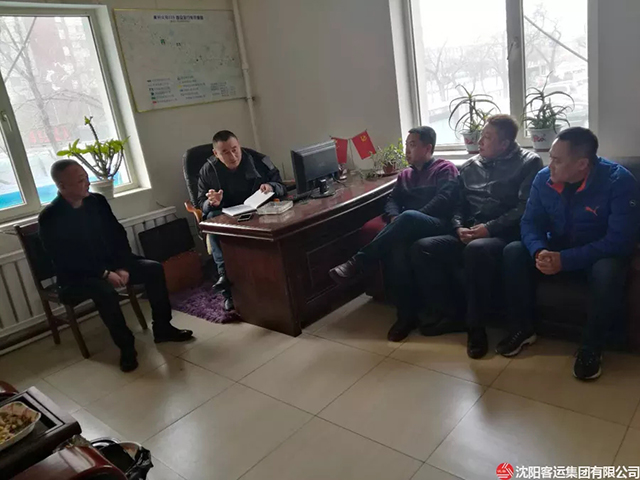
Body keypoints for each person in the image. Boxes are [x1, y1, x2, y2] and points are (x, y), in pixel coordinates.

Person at [497, 127, 639, 380]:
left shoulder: (620, 182)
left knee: (608, 269)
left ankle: (591, 347)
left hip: (596, 254)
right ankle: (522, 329)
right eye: (551, 157)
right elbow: (530, 223)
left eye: (557, 160)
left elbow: (620, 241)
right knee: (514, 251)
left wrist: (566, 260)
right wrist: (539, 250)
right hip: (557, 247)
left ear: (582, 164)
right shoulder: (543, 179)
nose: (549, 165)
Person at [39, 160, 193, 373]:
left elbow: (117, 235)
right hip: (78, 275)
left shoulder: (97, 201)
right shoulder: (50, 217)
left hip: (112, 264)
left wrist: (122, 267)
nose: (87, 183)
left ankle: (163, 328)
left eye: (86, 177)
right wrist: (104, 273)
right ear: (62, 186)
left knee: (153, 268)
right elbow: (65, 258)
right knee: (104, 291)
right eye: (81, 180)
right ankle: (126, 347)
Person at [411, 115, 543, 359]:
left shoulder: (529, 162)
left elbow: (524, 207)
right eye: (481, 135)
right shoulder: (470, 165)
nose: (480, 141)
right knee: (423, 248)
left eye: (487, 137)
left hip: (503, 235)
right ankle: (451, 315)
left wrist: (489, 228)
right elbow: (458, 205)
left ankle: (476, 328)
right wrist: (458, 227)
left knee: (476, 249)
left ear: (504, 144)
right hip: (470, 232)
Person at [329, 126, 460, 341]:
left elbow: (444, 201)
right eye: (406, 145)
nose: (407, 150)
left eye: (412, 145)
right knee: (397, 249)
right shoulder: (406, 175)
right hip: (408, 225)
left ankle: (358, 262)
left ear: (428, 148)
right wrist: (393, 218)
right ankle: (406, 316)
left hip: (438, 224)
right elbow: (392, 200)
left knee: (408, 218)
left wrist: (412, 218)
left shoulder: (445, 169)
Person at [196, 130, 286, 311]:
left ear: (240, 146)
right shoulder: (208, 170)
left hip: (259, 212)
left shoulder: (259, 160)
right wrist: (211, 202)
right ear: (215, 154)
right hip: (227, 217)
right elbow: (200, 204)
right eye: (225, 152)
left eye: (235, 149)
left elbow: (282, 187)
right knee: (213, 220)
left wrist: (271, 187)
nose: (232, 156)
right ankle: (226, 285)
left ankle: (276, 284)